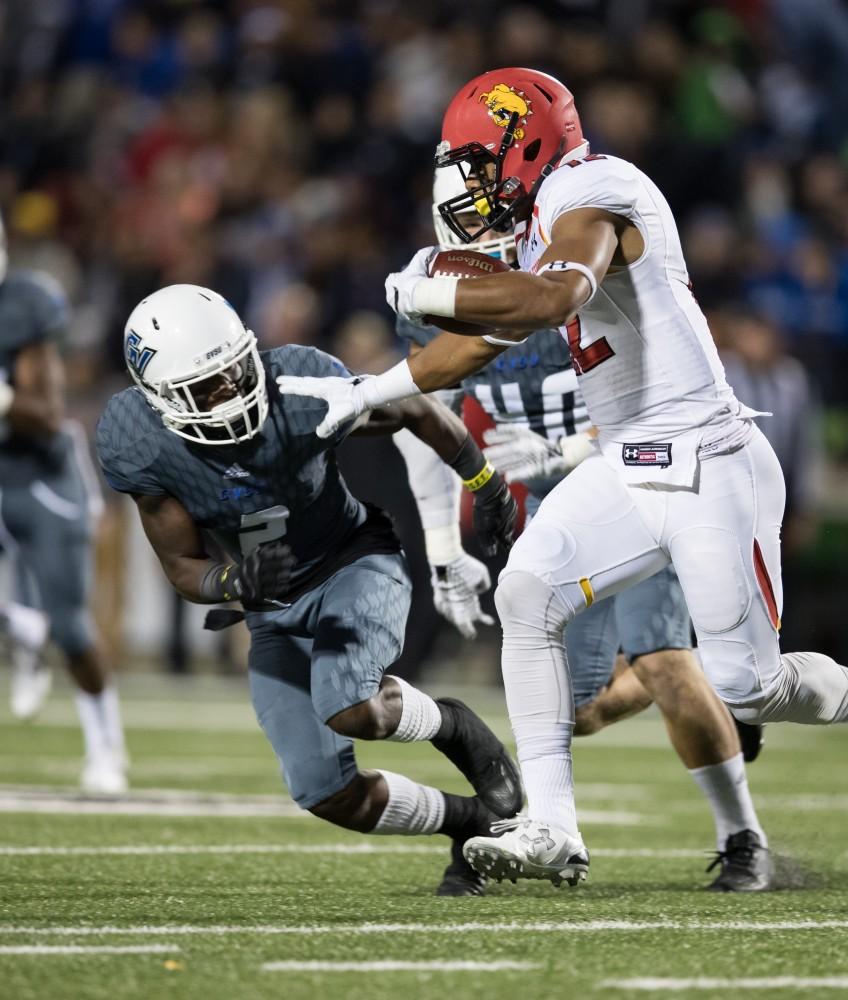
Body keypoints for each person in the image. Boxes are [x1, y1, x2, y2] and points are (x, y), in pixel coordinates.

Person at [279, 68, 848, 889]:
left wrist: (430, 287)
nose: (469, 183)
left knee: (742, 685)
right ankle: (551, 826)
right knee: (527, 596)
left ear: (524, 144)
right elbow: (475, 349)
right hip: (628, 462)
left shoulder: (593, 188)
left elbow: (555, 297)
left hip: (709, 459)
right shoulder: (543, 218)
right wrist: (370, 391)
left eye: (478, 160)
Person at [390, 168, 770, 891]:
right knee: (577, 709)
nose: (480, 231)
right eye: (463, 218)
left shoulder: (571, 272)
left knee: (663, 660)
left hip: (644, 480)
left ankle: (741, 833)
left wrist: (568, 450)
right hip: (559, 518)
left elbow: (647, 392)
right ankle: (538, 822)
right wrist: (443, 550)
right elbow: (420, 416)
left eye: (487, 212)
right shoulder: (449, 295)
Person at [96, 284, 522, 896]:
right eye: (207, 387)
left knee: (350, 707)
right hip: (271, 606)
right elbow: (182, 564)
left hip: (352, 561)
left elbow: (415, 409)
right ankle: (473, 823)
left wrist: (484, 483)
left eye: (236, 370)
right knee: (325, 793)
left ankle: (456, 727)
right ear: (160, 399)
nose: (233, 392)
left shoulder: (297, 386)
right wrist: (230, 581)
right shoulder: (140, 443)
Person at [0, 216, 127, 794]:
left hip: (44, 478)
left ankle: (107, 749)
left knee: (73, 628)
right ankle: (20, 625)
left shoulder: (25, 306)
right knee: (33, 616)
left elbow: (45, 415)